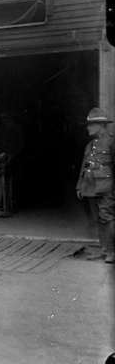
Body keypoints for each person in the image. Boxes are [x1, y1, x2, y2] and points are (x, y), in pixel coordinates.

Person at [76, 107, 115, 263]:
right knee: (98, 218)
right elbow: (83, 166)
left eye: (91, 125)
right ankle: (104, 249)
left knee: (107, 218)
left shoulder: (111, 142)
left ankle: (112, 251)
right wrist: (80, 185)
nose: (87, 128)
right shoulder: (90, 145)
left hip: (106, 186)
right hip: (90, 185)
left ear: (101, 125)